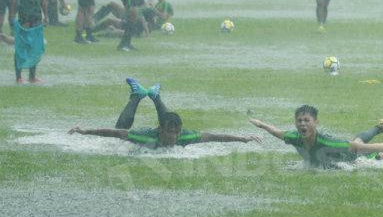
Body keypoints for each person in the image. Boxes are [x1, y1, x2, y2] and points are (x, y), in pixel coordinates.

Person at [68, 78, 262, 148]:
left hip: (165, 122)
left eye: (176, 132)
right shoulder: (146, 137)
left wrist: (243, 138)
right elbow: (114, 133)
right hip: (142, 134)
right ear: (160, 130)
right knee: (120, 129)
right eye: (170, 132)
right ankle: (137, 96)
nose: (174, 137)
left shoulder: (184, 137)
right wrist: (85, 131)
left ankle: (152, 95)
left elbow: (213, 136)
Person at [249, 105, 383, 168]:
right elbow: (278, 133)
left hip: (354, 159)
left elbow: (358, 149)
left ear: (316, 123)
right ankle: (380, 126)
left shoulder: (325, 142)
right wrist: (262, 124)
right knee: (357, 139)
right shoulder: (294, 136)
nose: (302, 124)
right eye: (299, 120)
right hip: (347, 152)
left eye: (307, 120)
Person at [8, 0, 48, 84]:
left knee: (35, 46)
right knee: (21, 45)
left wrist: (46, 15)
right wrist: (12, 16)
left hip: (36, 14)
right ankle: (18, 76)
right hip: (24, 13)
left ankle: (32, 76)